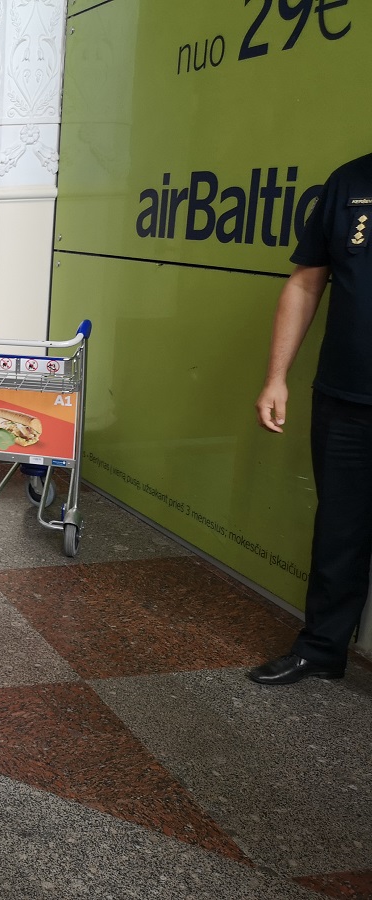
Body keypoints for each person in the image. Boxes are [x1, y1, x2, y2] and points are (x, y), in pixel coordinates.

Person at [249, 150, 372, 686]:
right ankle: (322, 648)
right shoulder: (350, 181)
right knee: (339, 533)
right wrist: (277, 377)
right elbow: (306, 283)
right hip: (346, 400)